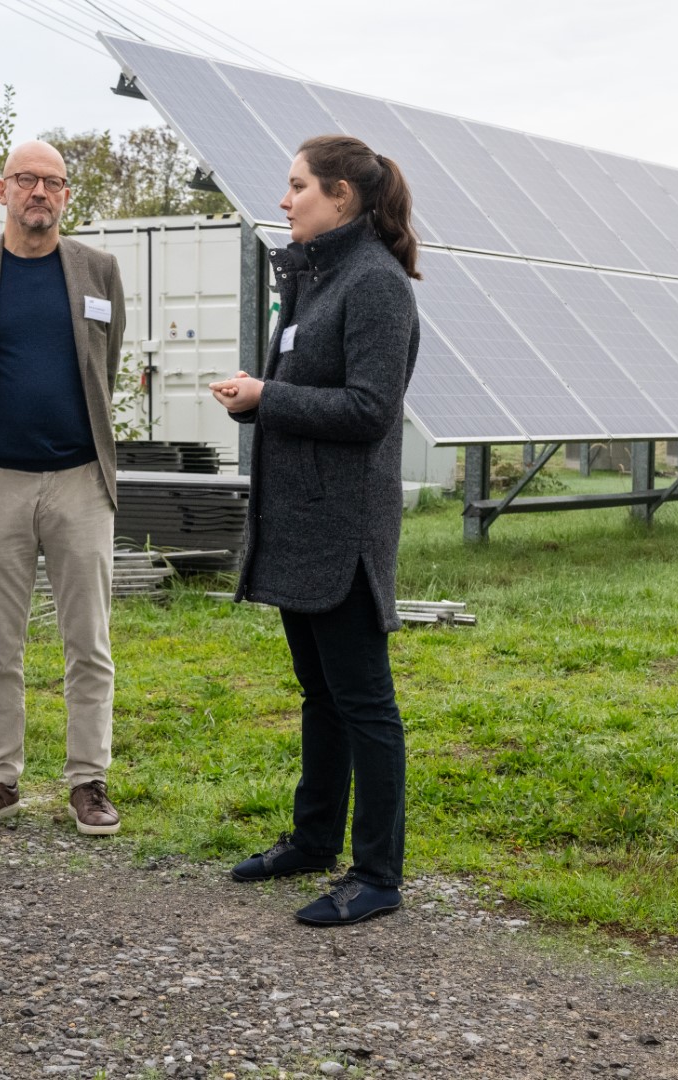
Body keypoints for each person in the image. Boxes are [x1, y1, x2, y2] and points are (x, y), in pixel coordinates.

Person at [209, 135, 421, 927]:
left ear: (341, 195)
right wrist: (260, 395)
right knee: (320, 698)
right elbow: (303, 389)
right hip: (300, 525)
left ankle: (378, 875)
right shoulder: (313, 279)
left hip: (344, 533)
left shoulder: (376, 285)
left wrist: (266, 396)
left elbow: (370, 410)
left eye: (296, 186)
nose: (285, 199)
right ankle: (312, 840)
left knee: (365, 703)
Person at [0, 141, 127, 837]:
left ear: (66, 196)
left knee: (89, 643)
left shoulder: (99, 270)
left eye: (53, 182)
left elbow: (107, 360)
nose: (39, 192)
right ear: (1, 189)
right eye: (26, 180)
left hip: (81, 480)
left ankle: (88, 781)